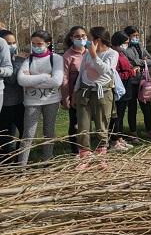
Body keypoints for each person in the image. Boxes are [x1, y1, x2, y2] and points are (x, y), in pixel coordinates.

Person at [73, 27, 119, 169]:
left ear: (97, 40)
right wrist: (76, 91)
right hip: (85, 92)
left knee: (101, 125)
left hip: (103, 93)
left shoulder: (113, 54)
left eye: (89, 38)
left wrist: (94, 55)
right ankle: (84, 158)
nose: (86, 41)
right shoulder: (87, 53)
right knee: (83, 126)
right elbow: (82, 73)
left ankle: (101, 159)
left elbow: (105, 71)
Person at [17, 30, 63, 166]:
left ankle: (47, 163)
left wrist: (31, 80)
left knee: (49, 133)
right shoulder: (28, 59)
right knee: (28, 135)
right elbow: (21, 80)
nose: (36, 46)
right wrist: (44, 77)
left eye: (39, 43)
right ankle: (21, 167)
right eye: (33, 43)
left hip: (52, 100)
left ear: (48, 44)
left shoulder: (56, 59)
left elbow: (57, 81)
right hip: (32, 102)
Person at [123, 26, 151, 139]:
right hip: (131, 82)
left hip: (143, 81)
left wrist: (139, 62)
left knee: (147, 107)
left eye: (137, 35)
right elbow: (128, 63)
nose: (136, 38)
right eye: (134, 36)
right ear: (128, 36)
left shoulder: (140, 46)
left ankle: (149, 130)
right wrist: (143, 61)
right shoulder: (125, 48)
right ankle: (133, 132)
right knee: (132, 108)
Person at [60, 26, 87, 154]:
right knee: (75, 123)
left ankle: (86, 149)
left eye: (83, 36)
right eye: (77, 36)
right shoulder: (67, 56)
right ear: (71, 38)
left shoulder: (90, 52)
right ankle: (75, 151)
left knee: (86, 123)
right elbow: (64, 78)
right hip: (74, 95)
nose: (81, 38)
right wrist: (66, 98)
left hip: (89, 94)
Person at [0, 30, 25, 164]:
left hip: (20, 103)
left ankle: (19, 160)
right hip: (5, 105)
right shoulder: (8, 60)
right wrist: (19, 62)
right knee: (6, 137)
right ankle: (7, 164)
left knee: (24, 133)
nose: (12, 46)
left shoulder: (17, 58)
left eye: (14, 42)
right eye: (9, 43)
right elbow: (10, 79)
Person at [109, 31, 136, 151]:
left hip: (126, 88)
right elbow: (115, 74)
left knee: (121, 115)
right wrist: (131, 72)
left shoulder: (122, 53)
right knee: (116, 117)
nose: (126, 45)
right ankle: (114, 141)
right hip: (119, 88)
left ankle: (119, 138)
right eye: (125, 43)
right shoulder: (113, 54)